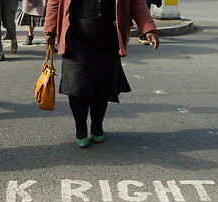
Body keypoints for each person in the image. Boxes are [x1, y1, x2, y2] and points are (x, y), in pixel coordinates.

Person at [44, 0, 159, 148]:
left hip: (108, 40)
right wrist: (50, 30)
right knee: (77, 88)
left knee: (102, 87)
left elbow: (137, 3)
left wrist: (148, 29)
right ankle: (80, 128)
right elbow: (55, 2)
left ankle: (97, 126)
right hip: (76, 40)